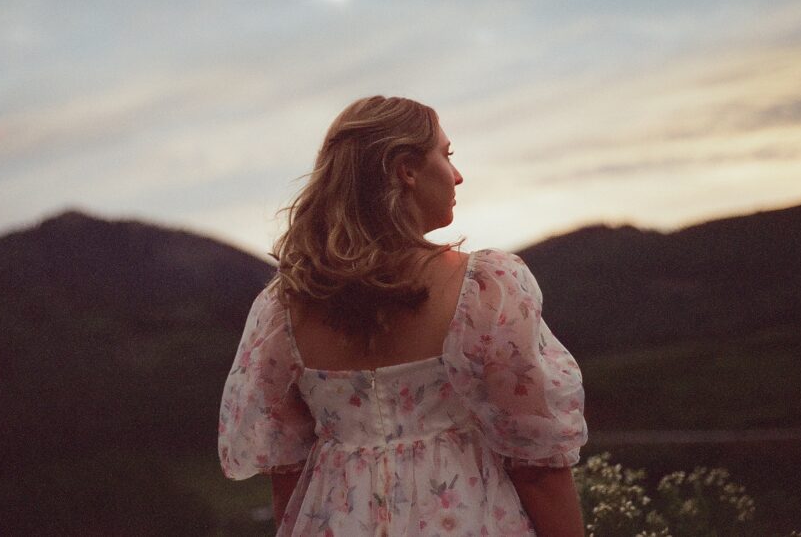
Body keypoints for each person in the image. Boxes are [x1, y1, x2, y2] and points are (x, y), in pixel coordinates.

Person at [218, 95, 588, 536]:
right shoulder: (485, 291)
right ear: (406, 169)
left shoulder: (284, 309)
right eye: (446, 155)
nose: (457, 175)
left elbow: (287, 476)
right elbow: (537, 465)